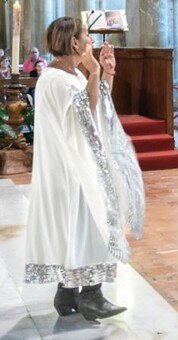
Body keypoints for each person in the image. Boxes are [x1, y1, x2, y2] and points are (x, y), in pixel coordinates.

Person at [25, 17, 144, 320]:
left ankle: (67, 295)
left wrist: (105, 72)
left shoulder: (69, 75)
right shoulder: (55, 79)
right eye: (87, 37)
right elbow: (85, 114)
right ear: (74, 42)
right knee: (93, 227)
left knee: (78, 231)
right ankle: (92, 296)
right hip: (71, 170)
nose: (91, 42)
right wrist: (93, 72)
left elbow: (99, 106)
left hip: (75, 166)